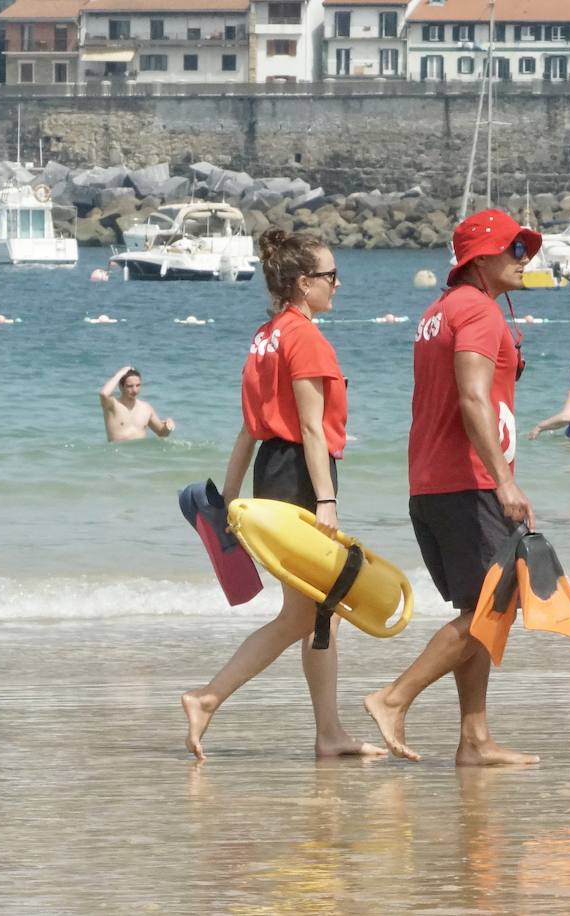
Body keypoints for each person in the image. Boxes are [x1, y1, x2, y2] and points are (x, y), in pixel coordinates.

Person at [181, 228, 383, 761]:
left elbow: (249, 427)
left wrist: (227, 497)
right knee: (304, 615)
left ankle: (329, 733)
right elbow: (313, 431)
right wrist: (326, 503)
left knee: (323, 612)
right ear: (302, 283)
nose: (337, 284)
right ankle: (208, 698)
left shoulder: (265, 336)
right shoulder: (305, 338)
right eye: (329, 276)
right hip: (299, 479)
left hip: (271, 472)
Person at [364, 208, 541, 766]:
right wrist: (506, 482)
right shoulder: (479, 312)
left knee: (479, 604)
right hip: (470, 482)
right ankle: (394, 698)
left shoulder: (439, 311)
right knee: (497, 607)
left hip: (433, 480)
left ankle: (474, 740)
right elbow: (471, 398)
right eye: (514, 250)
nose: (524, 260)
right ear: (482, 257)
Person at [99, 366, 175, 442]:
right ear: (121, 386)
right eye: (130, 386)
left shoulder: (146, 408)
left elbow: (161, 433)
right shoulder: (112, 405)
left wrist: (168, 428)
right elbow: (104, 393)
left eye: (138, 385)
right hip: (119, 453)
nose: (135, 390)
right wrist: (120, 374)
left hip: (141, 453)